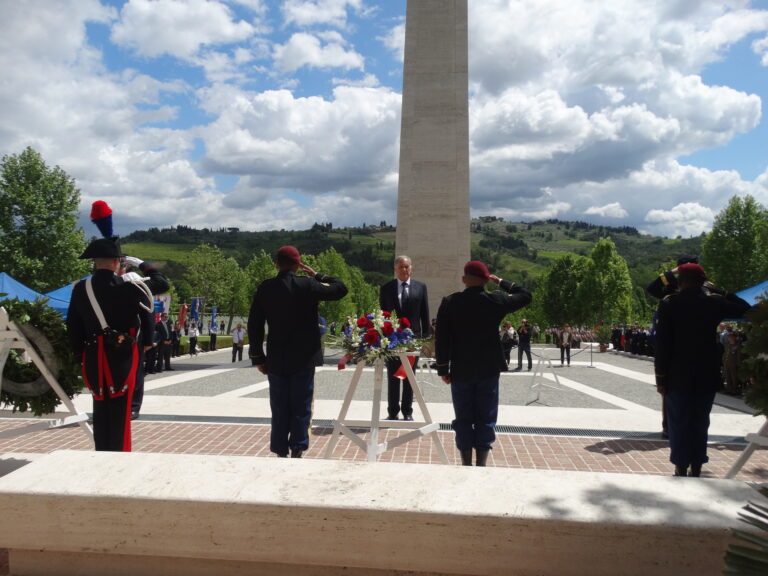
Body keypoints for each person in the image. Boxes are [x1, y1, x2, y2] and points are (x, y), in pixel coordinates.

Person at [248, 246, 348, 458]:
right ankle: (298, 447)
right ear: (298, 264)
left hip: (276, 357)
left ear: (276, 264)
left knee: (279, 405)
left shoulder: (265, 288)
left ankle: (279, 448)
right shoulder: (308, 285)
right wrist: (318, 275)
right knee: (302, 405)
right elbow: (340, 288)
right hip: (303, 357)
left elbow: (254, 325)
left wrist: (257, 356)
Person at [654, 263, 750, 477]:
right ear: (703, 282)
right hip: (706, 373)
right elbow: (746, 309)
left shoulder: (670, 303)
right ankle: (697, 464)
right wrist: (722, 291)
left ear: (680, 282)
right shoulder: (714, 302)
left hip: (677, 375)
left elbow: (662, 344)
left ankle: (680, 465)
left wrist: (661, 378)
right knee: (700, 421)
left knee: (678, 422)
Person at [435, 261, 532, 466]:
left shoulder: (450, 302)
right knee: (486, 417)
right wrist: (503, 282)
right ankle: (481, 464)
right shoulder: (495, 300)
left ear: (464, 280)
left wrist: (443, 368)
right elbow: (526, 295)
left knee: (463, 418)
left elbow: (441, 339)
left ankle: (466, 463)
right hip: (488, 369)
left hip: (460, 369)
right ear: (486, 280)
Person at [66, 238, 156, 451]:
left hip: (94, 357)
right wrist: (142, 264)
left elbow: (73, 325)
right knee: (121, 407)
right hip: (122, 355)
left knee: (100, 405)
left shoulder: (81, 288)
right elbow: (161, 282)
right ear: (117, 262)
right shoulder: (129, 286)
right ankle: (118, 453)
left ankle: (102, 450)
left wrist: (80, 355)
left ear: (95, 262)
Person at [379, 255, 431, 420]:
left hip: (413, 339)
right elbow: (382, 315)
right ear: (395, 268)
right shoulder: (386, 288)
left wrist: (425, 339)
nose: (404, 269)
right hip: (392, 338)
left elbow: (425, 314)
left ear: (411, 268)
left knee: (409, 376)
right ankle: (392, 412)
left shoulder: (421, 287)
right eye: (401, 267)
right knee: (393, 376)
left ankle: (407, 412)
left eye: (407, 266)